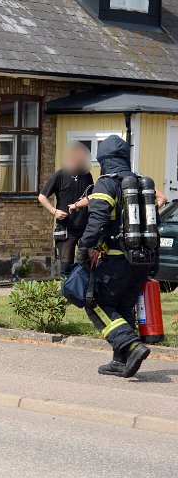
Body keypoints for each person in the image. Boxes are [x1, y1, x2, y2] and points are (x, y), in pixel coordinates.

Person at [76, 135, 151, 378]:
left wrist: (83, 249)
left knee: (95, 303)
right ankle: (121, 361)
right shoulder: (140, 183)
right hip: (141, 260)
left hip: (116, 260)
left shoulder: (106, 184)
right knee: (122, 307)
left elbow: (97, 222)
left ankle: (131, 345)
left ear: (104, 160)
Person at [38, 142, 94, 276]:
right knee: (66, 265)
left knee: (88, 263)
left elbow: (92, 196)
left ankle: (83, 292)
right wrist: (54, 211)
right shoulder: (59, 175)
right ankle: (65, 293)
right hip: (66, 228)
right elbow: (42, 196)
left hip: (85, 227)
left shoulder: (87, 176)